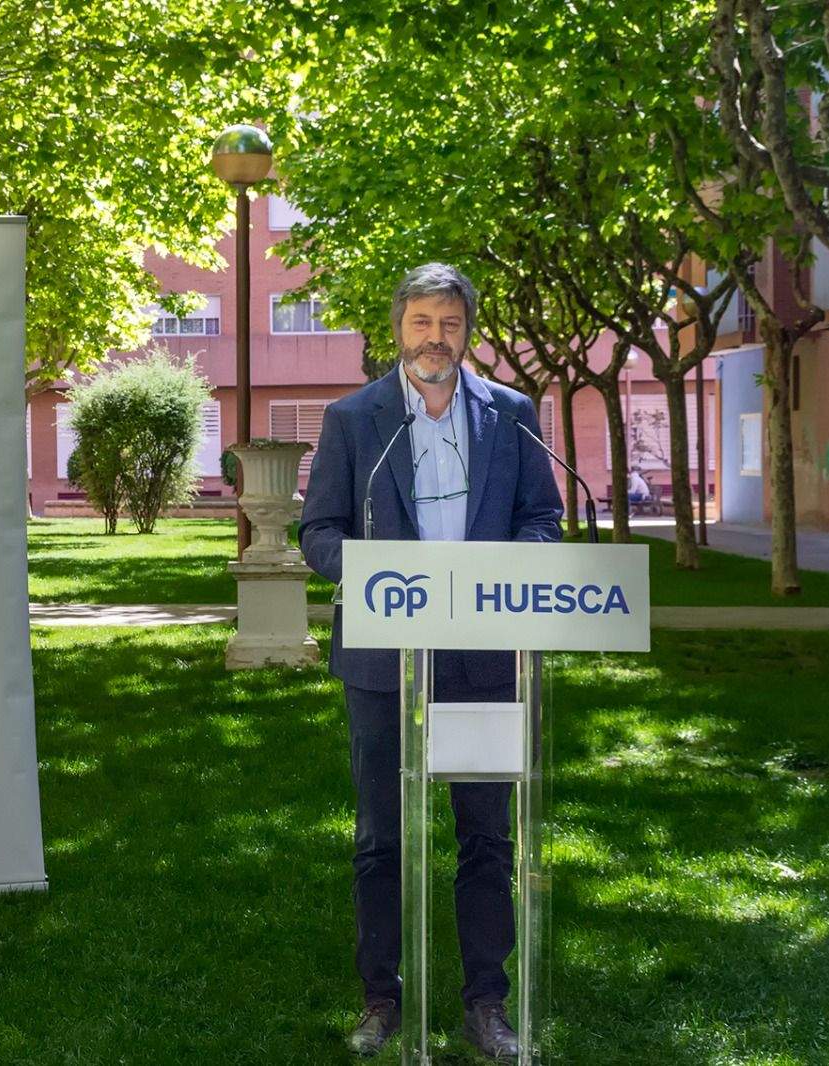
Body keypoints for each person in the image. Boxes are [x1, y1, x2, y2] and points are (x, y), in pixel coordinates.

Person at [298, 264, 563, 1059]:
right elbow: (319, 534)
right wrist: (374, 573)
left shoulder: (512, 415)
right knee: (382, 836)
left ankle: (488, 1002)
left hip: (483, 657)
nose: (434, 338)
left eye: (449, 323)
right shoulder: (354, 420)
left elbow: (542, 519)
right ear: (397, 328)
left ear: (468, 333)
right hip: (384, 661)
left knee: (487, 837)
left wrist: (510, 569)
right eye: (421, 322)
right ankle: (382, 999)